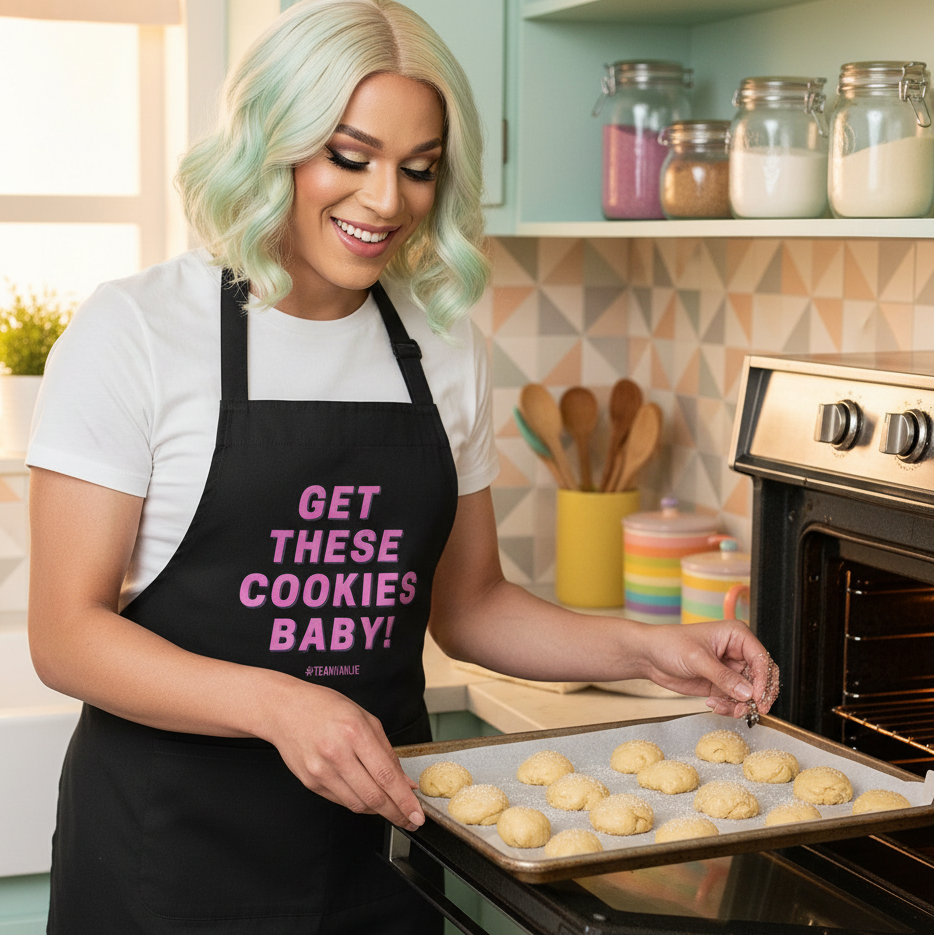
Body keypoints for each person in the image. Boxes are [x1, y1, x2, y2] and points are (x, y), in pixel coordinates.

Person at [26, 1, 777, 932]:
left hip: (382, 849)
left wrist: (647, 647)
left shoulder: (439, 346)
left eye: (418, 169)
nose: (386, 200)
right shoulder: (137, 330)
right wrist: (280, 705)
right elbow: (65, 632)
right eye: (349, 156)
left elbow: (470, 607)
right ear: (273, 143)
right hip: (167, 859)